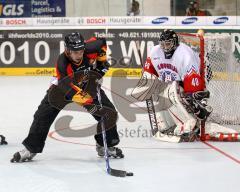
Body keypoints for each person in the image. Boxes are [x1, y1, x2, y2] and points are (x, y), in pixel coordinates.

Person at [11, 32, 123, 163]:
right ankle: (31, 148)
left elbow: (102, 42)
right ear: (67, 50)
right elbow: (72, 92)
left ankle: (105, 145)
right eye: (75, 52)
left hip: (87, 84)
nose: (79, 54)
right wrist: (90, 103)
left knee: (109, 113)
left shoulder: (91, 47)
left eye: (81, 51)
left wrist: (101, 62)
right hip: (62, 89)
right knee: (42, 115)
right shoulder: (62, 63)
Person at [132, 29, 212, 141]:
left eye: (168, 44)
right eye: (162, 44)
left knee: (174, 90)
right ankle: (169, 123)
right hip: (176, 81)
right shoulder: (155, 51)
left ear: (174, 43)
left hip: (199, 75)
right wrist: (147, 78)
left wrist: (196, 103)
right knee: (162, 90)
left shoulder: (185, 54)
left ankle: (190, 122)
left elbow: (193, 81)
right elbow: (150, 72)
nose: (165, 47)